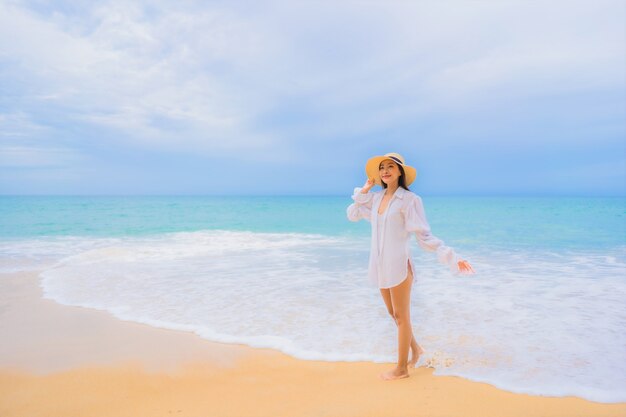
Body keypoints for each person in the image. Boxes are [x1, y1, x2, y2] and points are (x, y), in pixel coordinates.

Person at [347, 152, 475, 381]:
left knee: (402, 316)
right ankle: (416, 350)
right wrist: (365, 190)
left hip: (399, 265)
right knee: (392, 314)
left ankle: (402, 368)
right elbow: (353, 213)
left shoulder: (410, 200)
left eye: (391, 167)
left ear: (400, 172)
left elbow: (424, 235)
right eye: (382, 168)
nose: (385, 171)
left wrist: (452, 256)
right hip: (380, 265)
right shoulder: (376, 199)